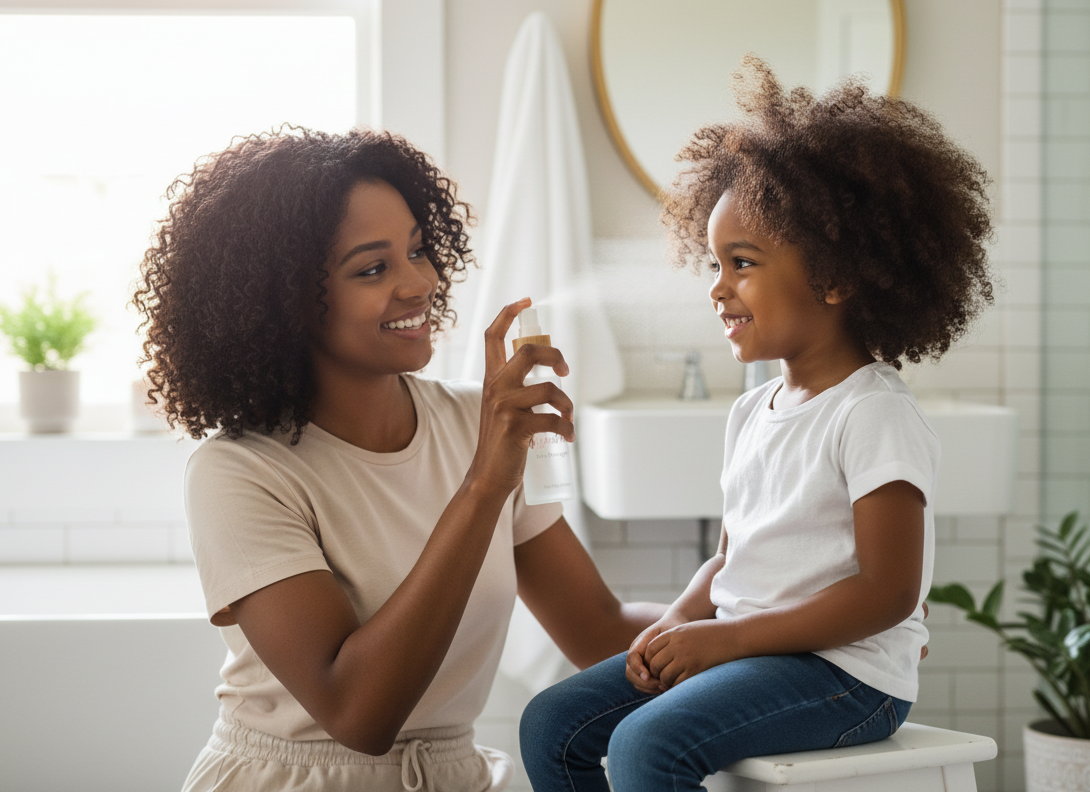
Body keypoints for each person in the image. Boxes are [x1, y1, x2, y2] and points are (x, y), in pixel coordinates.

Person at [132, 127, 664, 792]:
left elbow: (600, 632)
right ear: (284, 302)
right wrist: (484, 485)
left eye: (417, 249)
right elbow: (359, 712)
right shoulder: (241, 472)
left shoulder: (477, 421)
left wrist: (744, 592)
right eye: (373, 268)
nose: (420, 283)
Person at [519, 57, 995, 792]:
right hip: (754, 658)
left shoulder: (875, 412)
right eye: (714, 263)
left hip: (848, 676)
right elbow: (731, 563)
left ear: (836, 276)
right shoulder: (751, 411)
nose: (717, 287)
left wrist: (727, 639)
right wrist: (677, 623)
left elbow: (889, 593)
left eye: (742, 263)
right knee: (552, 725)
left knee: (649, 746)